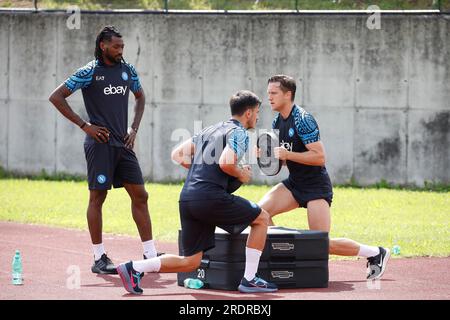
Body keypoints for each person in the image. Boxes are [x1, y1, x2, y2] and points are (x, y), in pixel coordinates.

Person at [116, 90, 278, 294]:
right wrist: (242, 174)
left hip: (188, 198)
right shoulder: (239, 133)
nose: (257, 117)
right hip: (210, 198)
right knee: (262, 218)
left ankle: (134, 268)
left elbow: (178, 154)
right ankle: (250, 279)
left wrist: (203, 171)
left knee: (191, 262)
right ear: (247, 113)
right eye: (256, 112)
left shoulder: (209, 130)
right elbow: (227, 163)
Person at [258, 75, 390, 280]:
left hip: (315, 187)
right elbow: (283, 160)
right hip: (295, 184)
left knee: (319, 244)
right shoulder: (277, 121)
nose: (269, 98)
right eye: (268, 94)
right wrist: (268, 157)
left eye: (274, 93)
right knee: (259, 214)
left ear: (288, 94)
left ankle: (374, 252)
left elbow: (319, 157)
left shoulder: (303, 119)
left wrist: (287, 155)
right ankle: (284, 251)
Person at [48, 26, 157, 274]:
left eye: (122, 46)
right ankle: (99, 258)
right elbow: (56, 96)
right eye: (116, 46)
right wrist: (84, 125)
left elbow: (140, 97)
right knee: (98, 198)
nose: (121, 50)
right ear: (103, 46)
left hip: (124, 144)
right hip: (100, 146)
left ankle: (150, 255)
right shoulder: (88, 72)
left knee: (141, 195)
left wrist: (134, 128)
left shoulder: (127, 70)